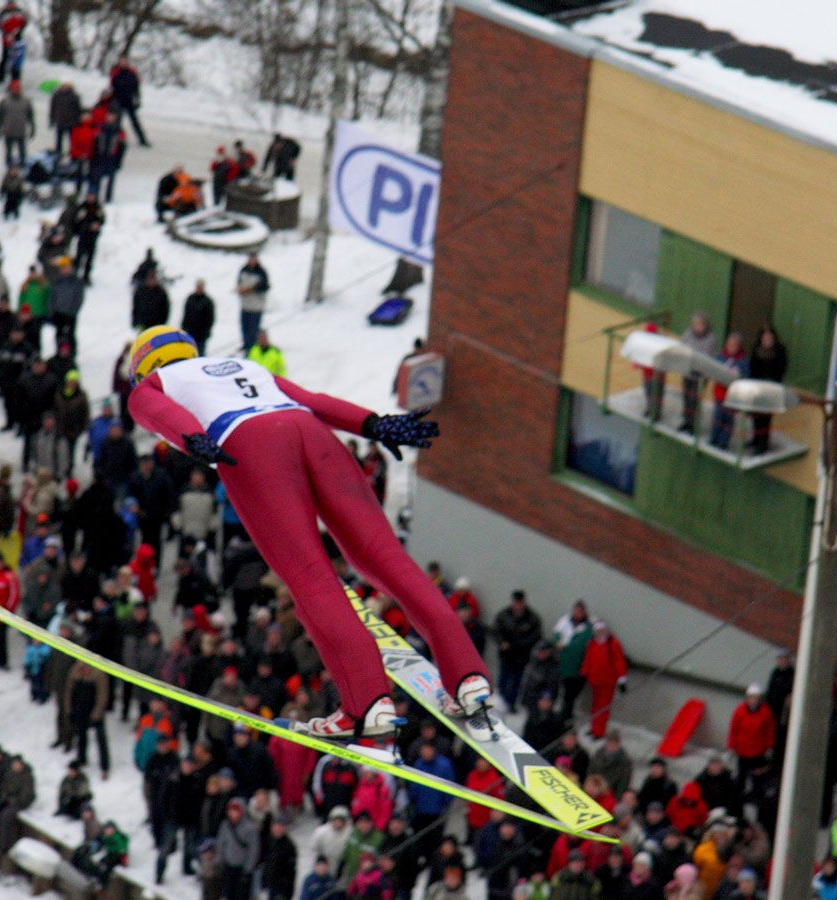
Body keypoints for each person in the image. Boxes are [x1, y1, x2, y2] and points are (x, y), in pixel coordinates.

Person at [127, 326, 489, 737]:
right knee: (384, 557)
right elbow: (312, 401)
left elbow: (152, 411)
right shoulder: (242, 366)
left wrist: (193, 438)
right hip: (313, 434)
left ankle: (368, 702)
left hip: (250, 445)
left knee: (310, 577)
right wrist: (373, 424)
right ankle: (467, 677)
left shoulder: (157, 382)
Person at [493, 590, 543, 714]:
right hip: (506, 656)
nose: (518, 605)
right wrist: (501, 642)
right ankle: (502, 699)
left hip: (521, 657)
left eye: (520, 603)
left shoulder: (532, 618)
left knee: (516, 682)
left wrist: (514, 645)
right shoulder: (504, 615)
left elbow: (535, 637)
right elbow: (496, 631)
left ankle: (511, 703)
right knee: (503, 679)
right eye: (516, 603)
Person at [109, 55, 149, 146]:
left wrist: (137, 99)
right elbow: (111, 86)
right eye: (121, 61)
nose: (123, 63)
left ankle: (142, 140)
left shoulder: (132, 72)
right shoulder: (115, 72)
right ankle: (115, 139)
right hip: (118, 100)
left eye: (124, 61)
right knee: (116, 121)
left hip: (129, 101)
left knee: (135, 121)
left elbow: (137, 88)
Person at [0, 80, 35, 168]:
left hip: (21, 131)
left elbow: (31, 116)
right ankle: (9, 167)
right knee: (8, 152)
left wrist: (33, 129)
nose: (16, 90)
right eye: (14, 89)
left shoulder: (26, 101)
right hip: (8, 131)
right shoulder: (4, 102)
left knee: (22, 152)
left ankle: (23, 167)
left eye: (18, 89)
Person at [235, 254, 268, 352]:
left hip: (256, 306)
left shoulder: (261, 272)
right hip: (245, 305)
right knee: (244, 328)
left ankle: (252, 348)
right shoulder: (243, 270)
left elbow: (264, 287)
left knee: (253, 330)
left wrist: (251, 290)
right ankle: (246, 345)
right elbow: (239, 283)